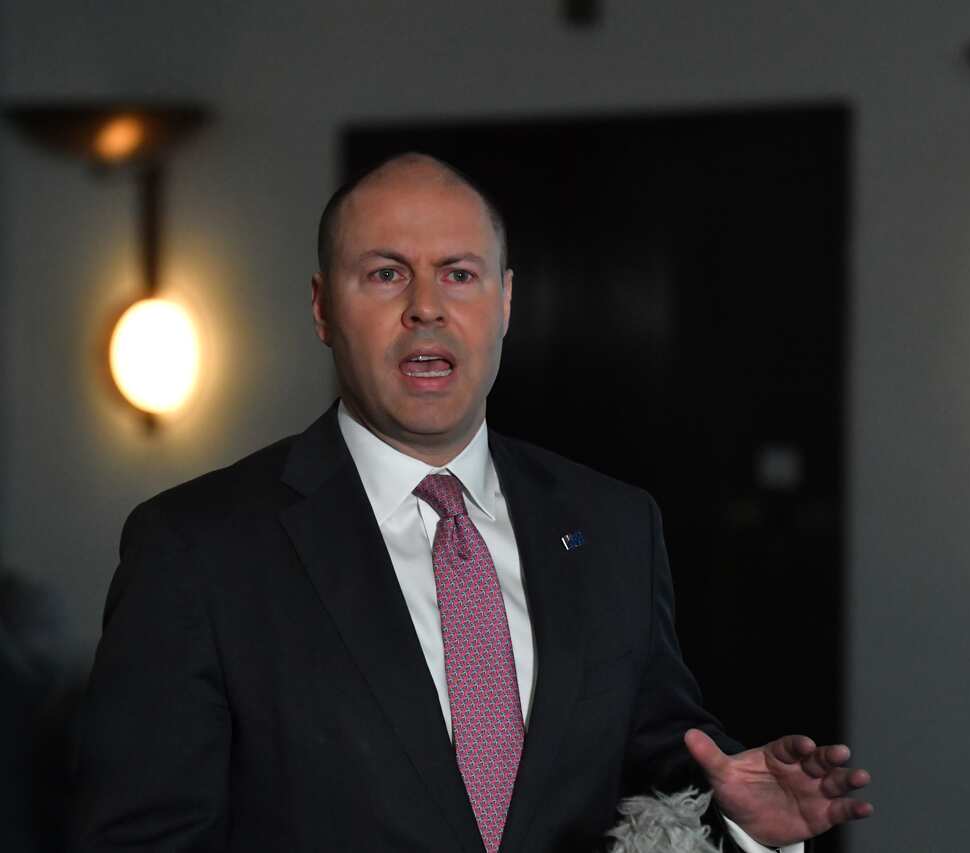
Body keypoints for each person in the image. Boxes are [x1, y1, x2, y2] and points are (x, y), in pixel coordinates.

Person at [72, 153, 872, 852]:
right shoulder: (196, 550)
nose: (426, 305)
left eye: (459, 273)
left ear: (507, 301)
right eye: (385, 273)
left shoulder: (615, 526)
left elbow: (664, 762)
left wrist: (741, 820)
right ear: (322, 306)